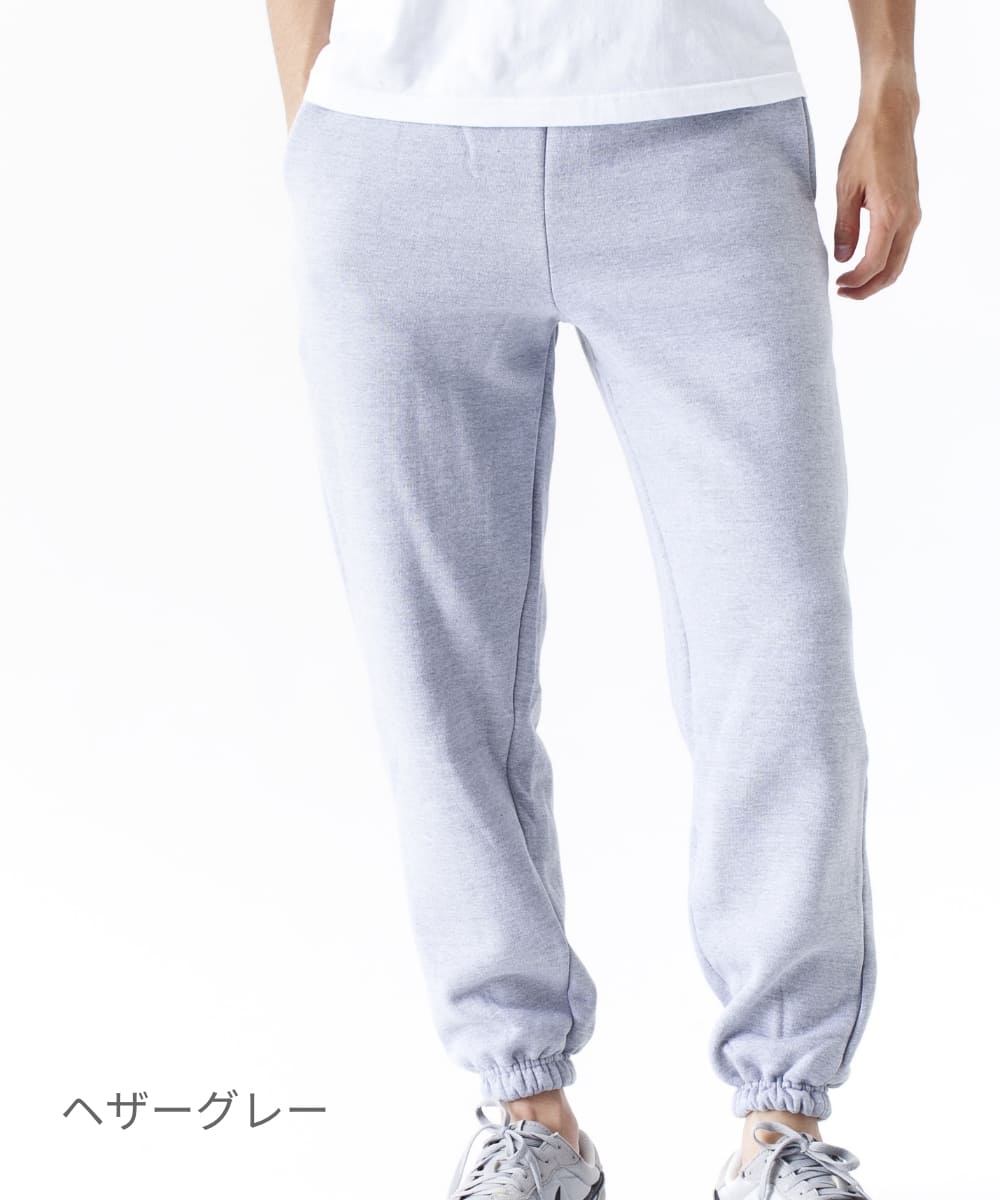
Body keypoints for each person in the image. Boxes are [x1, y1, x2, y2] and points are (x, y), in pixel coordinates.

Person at [266, 1, 920, 1196]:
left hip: (701, 132)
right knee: (433, 662)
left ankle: (781, 1122)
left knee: (778, 644)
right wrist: (312, 119)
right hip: (394, 151)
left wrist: (891, 88)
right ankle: (525, 1107)